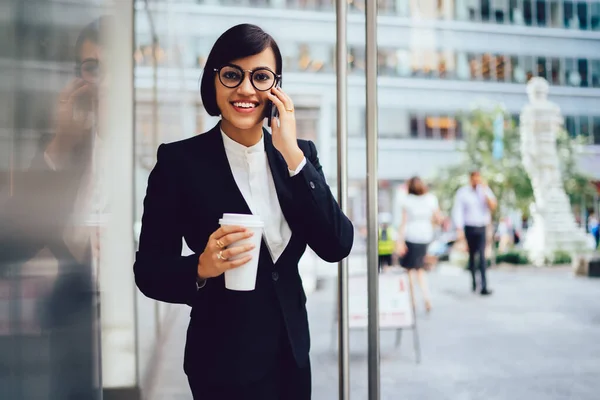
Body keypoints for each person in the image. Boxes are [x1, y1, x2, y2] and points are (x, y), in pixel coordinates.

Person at [133, 24, 353, 400]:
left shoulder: (299, 156)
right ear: (213, 81)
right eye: (232, 74)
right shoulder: (178, 163)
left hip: (292, 356)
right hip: (220, 363)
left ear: (276, 88)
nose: (247, 89)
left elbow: (336, 244)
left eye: (261, 77)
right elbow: (149, 272)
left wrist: (293, 156)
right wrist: (201, 266)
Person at [0, 17, 108, 399]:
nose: (102, 81)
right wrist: (59, 147)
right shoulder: (69, 149)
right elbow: (12, 239)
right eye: (92, 67)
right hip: (72, 338)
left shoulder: (162, 155)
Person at [396, 177, 441, 312]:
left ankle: (413, 300)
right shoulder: (431, 199)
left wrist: (400, 241)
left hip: (411, 235)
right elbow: (438, 218)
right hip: (425, 235)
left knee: (410, 270)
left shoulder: (407, 200)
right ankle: (426, 298)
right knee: (420, 269)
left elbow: (403, 222)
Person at [452, 170, 497, 296]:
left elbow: (493, 206)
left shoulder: (485, 191)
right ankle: (473, 282)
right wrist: (459, 229)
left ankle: (484, 286)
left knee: (482, 256)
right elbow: (458, 211)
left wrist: (483, 191)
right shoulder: (463, 192)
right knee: (472, 255)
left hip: (482, 226)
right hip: (469, 227)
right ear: (470, 179)